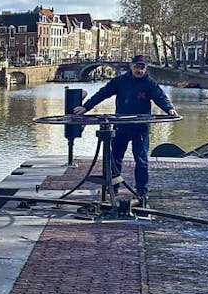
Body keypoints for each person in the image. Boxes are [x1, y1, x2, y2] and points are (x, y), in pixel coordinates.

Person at [73, 54, 178, 203]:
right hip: (121, 127)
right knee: (115, 158)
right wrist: (86, 107)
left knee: (141, 160)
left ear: (146, 68)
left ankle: (141, 190)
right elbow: (103, 93)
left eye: (142, 68)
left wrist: (169, 109)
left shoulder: (149, 83)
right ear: (131, 66)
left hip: (140, 128)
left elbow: (160, 97)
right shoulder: (120, 81)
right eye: (137, 67)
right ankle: (113, 187)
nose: (139, 70)